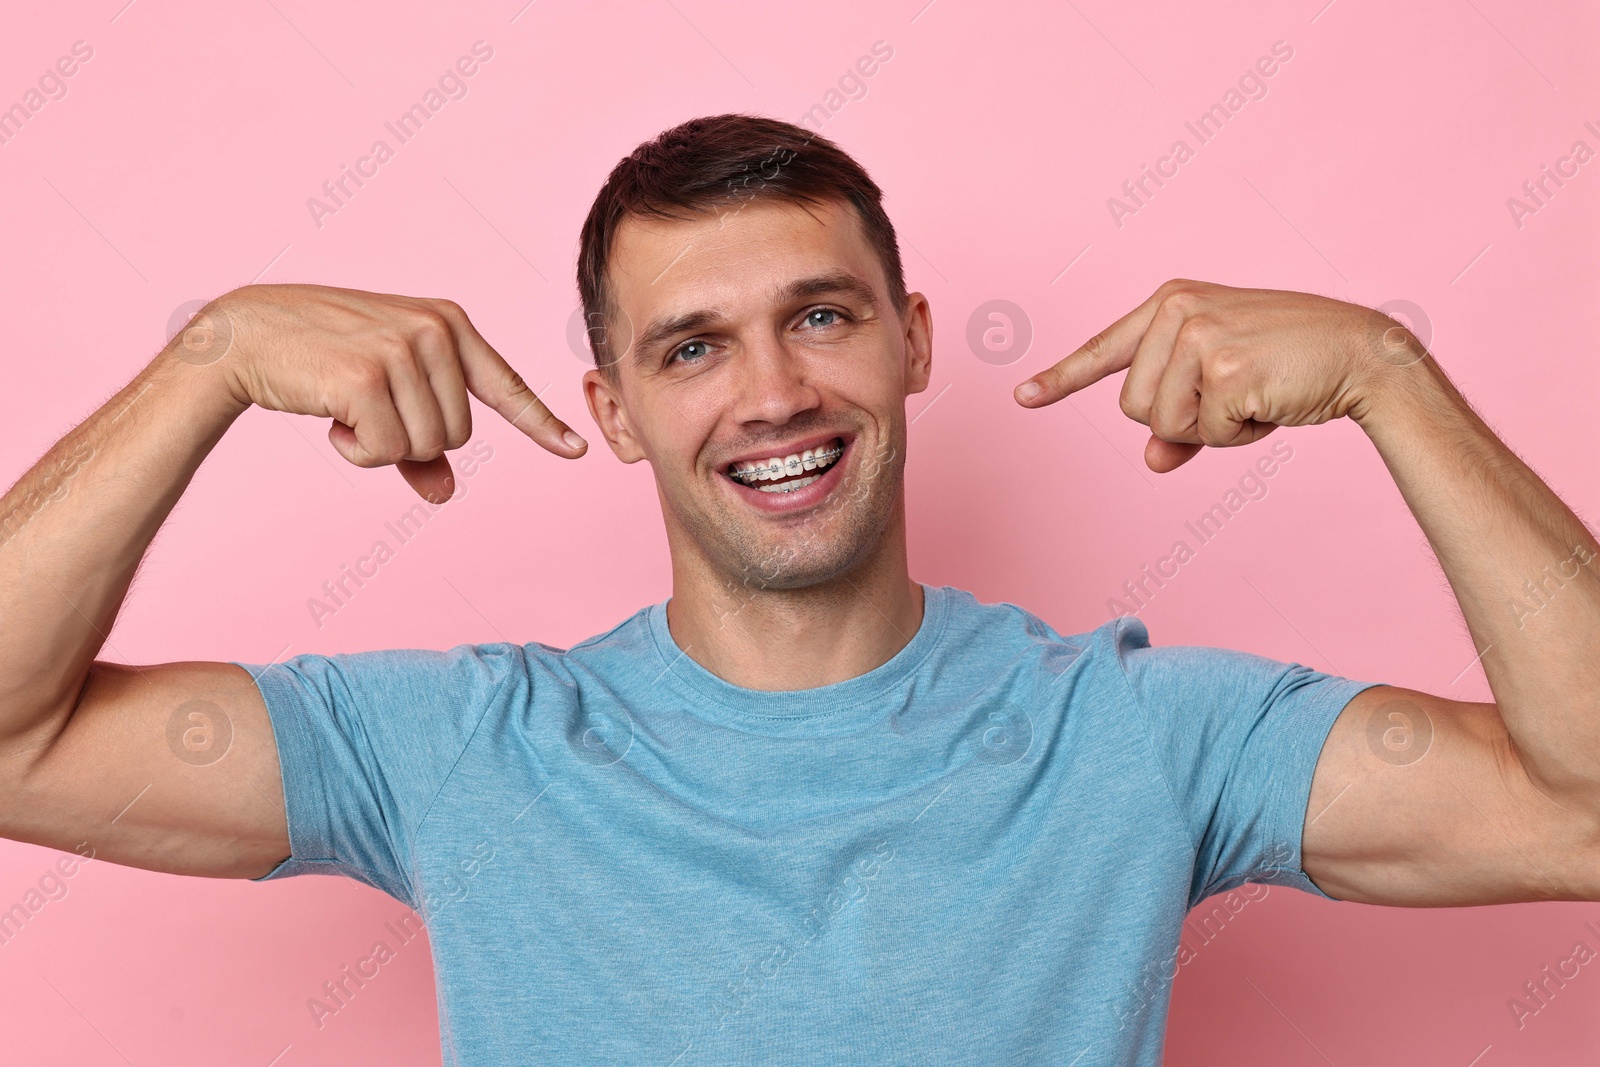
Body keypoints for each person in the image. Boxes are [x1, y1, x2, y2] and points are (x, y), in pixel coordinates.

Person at [0, 112, 1595, 1066]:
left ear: (909, 339)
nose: (772, 393)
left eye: (820, 317)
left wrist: (1396, 379)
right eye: (690, 346)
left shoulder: (1142, 734)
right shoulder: (461, 746)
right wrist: (205, 362)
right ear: (615, 407)